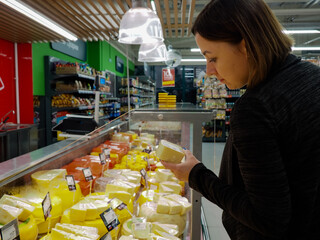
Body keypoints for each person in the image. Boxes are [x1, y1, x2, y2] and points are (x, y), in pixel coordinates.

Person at [161, 0, 320, 239]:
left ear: (245, 46)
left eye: (212, 58)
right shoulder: (313, 77)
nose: (210, 70)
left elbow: (268, 219)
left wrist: (196, 175)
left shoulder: (256, 107)